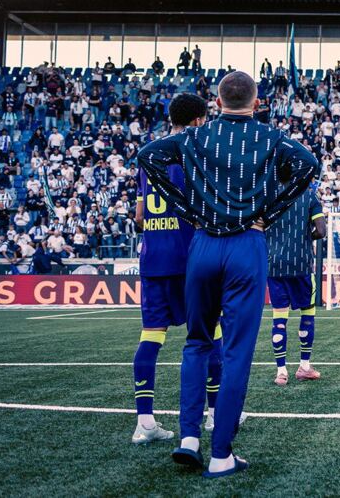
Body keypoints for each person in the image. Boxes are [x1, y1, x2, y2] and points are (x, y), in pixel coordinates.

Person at [139, 72, 319, 477]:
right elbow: (310, 165)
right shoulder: (271, 137)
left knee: (196, 342)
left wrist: (186, 208)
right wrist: (270, 212)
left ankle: (189, 438)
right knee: (236, 351)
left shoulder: (195, 135)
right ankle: (221, 454)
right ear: (257, 102)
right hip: (246, 245)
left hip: (203, 243)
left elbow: (148, 155)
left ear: (216, 102)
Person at [131, 93, 229, 444]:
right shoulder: (196, 151)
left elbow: (139, 217)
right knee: (210, 333)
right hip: (191, 258)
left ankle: (144, 422)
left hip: (154, 258)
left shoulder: (149, 155)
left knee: (151, 336)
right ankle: (215, 414)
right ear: (199, 120)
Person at [265, 179, 327, 386]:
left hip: (274, 264)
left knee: (279, 318)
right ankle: (304, 366)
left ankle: (281, 372)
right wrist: (305, 238)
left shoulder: (269, 196)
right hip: (301, 264)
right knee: (307, 315)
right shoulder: (308, 195)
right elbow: (321, 231)